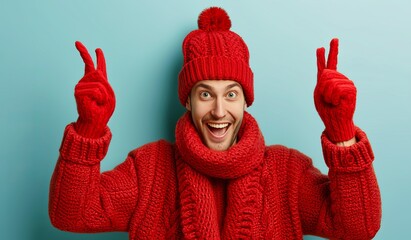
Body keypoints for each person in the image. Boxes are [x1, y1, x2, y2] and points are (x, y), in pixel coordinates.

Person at [49, 7, 381, 240]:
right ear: (188, 101)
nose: (219, 111)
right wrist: (87, 131)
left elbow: (358, 227)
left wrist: (342, 133)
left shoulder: (286, 172)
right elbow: (71, 215)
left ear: (246, 101)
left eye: (231, 94)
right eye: (205, 94)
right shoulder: (149, 169)